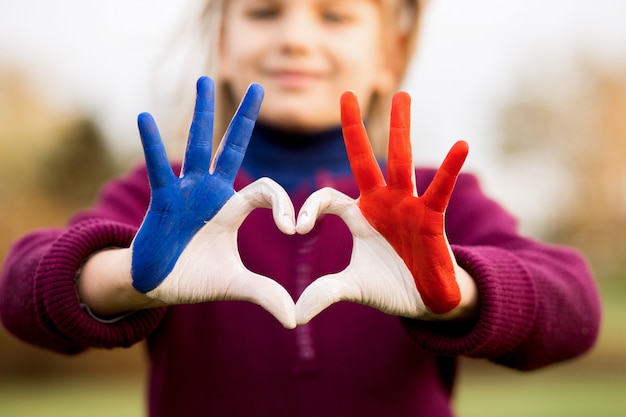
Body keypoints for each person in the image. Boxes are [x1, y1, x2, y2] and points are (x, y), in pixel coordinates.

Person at [0, 1, 601, 416]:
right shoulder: (171, 200)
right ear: (223, 44)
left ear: (389, 54)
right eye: (263, 12)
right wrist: (127, 277)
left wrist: (455, 288)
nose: (294, 37)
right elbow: (20, 287)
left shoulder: (430, 204)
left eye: (335, 15)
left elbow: (575, 306)